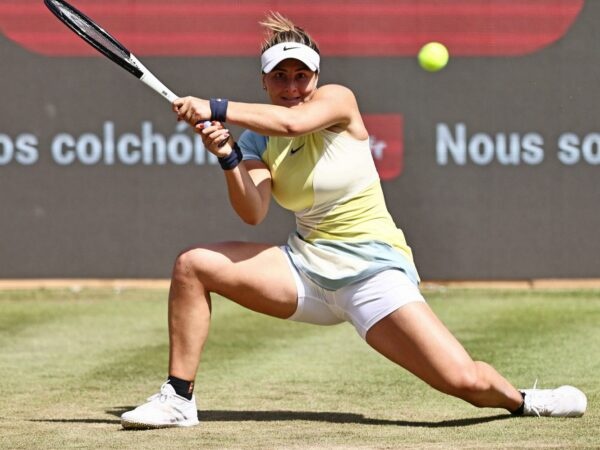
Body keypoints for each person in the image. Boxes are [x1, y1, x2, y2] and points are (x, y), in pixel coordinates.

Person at [120, 12, 587, 429]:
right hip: (304, 271)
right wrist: (227, 156)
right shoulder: (256, 139)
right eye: (279, 77)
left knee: (462, 380)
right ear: (264, 83)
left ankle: (524, 400)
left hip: (372, 276)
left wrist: (214, 106)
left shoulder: (338, 102)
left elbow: (290, 125)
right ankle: (178, 399)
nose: (291, 86)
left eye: (301, 75)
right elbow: (253, 211)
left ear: (317, 77)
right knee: (193, 265)